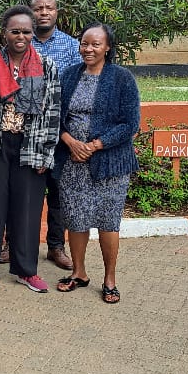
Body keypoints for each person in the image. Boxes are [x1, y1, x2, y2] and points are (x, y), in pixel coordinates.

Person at [0, 5, 61, 293]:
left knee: (27, 210)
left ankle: (26, 270)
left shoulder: (47, 67)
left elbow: (53, 112)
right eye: (15, 31)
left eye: (26, 31)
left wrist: (46, 152)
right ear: (4, 33)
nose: (21, 36)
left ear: (33, 33)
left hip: (31, 146)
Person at [53, 23, 140, 304]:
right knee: (76, 219)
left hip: (110, 164)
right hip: (72, 161)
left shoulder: (121, 78)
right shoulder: (68, 76)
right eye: (84, 43)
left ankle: (109, 279)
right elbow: (54, 116)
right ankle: (79, 273)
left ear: (107, 48)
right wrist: (70, 142)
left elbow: (130, 123)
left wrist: (94, 145)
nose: (88, 49)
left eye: (95, 44)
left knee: (107, 221)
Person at [28, 0, 81, 270]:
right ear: (31, 12)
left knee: (58, 192)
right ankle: (16, 243)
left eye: (49, 8)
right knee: (25, 191)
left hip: (60, 132)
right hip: (27, 132)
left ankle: (56, 246)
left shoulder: (72, 47)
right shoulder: (22, 41)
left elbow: (73, 89)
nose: (44, 13)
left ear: (57, 12)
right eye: (38, 8)